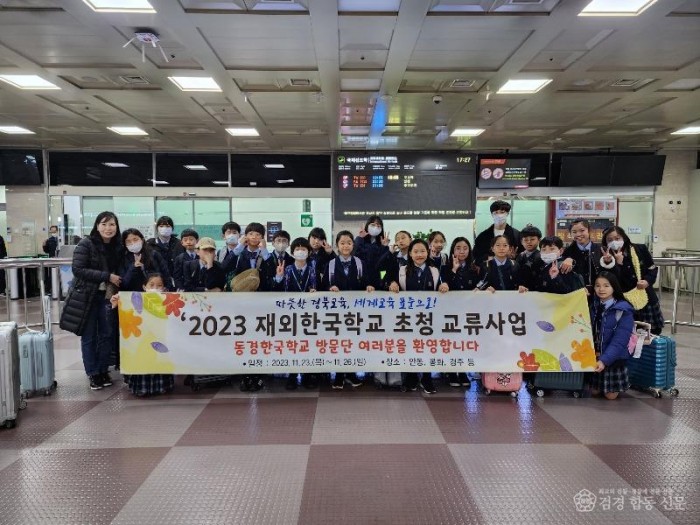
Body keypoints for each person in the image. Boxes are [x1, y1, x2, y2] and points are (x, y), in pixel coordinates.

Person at [59, 211, 122, 391]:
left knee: (107, 334)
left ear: (117, 227)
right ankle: (93, 373)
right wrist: (107, 276)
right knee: (89, 336)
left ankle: (103, 369)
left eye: (111, 224)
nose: (108, 228)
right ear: (96, 226)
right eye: (104, 224)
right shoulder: (86, 244)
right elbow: (78, 269)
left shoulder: (117, 246)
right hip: (87, 297)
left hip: (108, 297)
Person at [388, 239, 449, 394]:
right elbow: (387, 281)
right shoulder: (401, 270)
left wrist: (444, 286)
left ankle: (427, 378)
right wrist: (391, 284)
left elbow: (443, 285)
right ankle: (411, 378)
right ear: (410, 253)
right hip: (407, 318)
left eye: (422, 251)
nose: (419, 254)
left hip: (428, 318)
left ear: (427, 252)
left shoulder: (435, 270)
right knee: (409, 346)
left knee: (427, 347)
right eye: (415, 251)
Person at [322, 230, 374, 390]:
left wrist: (369, 286)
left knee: (352, 342)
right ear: (337, 245)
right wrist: (330, 288)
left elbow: (367, 281)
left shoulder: (360, 263)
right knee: (338, 343)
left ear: (353, 245)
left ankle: (351, 373)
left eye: (349, 242)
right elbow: (323, 286)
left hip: (355, 312)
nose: (346, 245)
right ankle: (338, 374)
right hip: (336, 313)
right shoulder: (330, 264)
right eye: (342, 242)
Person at [110, 273, 175, 397]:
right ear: (144, 286)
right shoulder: (134, 301)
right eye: (152, 285)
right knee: (143, 358)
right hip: (140, 343)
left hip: (159, 342)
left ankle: (162, 387)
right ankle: (141, 387)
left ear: (164, 289)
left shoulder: (167, 302)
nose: (155, 288)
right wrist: (117, 304)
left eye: (159, 285)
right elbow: (121, 320)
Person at [232, 223, 277, 391]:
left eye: (258, 234)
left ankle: (259, 375)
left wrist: (265, 252)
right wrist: (237, 248)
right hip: (242, 302)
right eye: (250, 233)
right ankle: (245, 375)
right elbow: (225, 268)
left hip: (261, 302)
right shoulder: (238, 253)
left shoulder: (266, 254)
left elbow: (273, 272)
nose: (254, 237)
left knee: (261, 339)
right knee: (244, 339)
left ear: (262, 237)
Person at [274, 237, 321, 390]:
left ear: (308, 252)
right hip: (291, 314)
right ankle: (293, 376)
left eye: (304, 249)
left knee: (308, 344)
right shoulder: (287, 269)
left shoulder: (313, 269)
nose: (300, 252)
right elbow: (280, 291)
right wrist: (279, 277)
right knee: (293, 345)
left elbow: (318, 289)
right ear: (292, 252)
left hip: (309, 314)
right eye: (297, 249)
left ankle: (307, 375)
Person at [599, 226, 664, 335]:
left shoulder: (640, 249)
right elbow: (612, 280)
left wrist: (647, 281)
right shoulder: (606, 257)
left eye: (617, 238)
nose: (614, 242)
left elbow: (652, 269)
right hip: (624, 301)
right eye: (610, 240)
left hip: (645, 297)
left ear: (623, 237)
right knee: (627, 334)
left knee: (652, 332)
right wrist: (618, 264)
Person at [441, 236, 481, 389]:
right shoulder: (445, 268)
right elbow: (445, 285)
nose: (462, 251)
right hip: (450, 313)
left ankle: (463, 370)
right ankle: (451, 371)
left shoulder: (475, 268)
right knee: (451, 342)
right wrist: (454, 270)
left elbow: (482, 283)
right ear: (452, 250)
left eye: (465, 248)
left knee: (464, 343)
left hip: (469, 312)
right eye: (458, 248)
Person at [590, 271, 635, 400]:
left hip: (613, 359)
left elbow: (620, 341)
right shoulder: (593, 306)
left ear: (614, 287)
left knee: (610, 396)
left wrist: (604, 361)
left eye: (606, 285)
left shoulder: (623, 310)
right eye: (597, 285)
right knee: (594, 392)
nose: (601, 289)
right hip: (595, 356)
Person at [560, 218, 603, 299]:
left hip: (598, 294)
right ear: (570, 234)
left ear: (589, 231)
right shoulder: (566, 252)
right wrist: (567, 259)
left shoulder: (601, 250)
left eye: (582, 230)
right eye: (574, 232)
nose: (578, 234)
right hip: (575, 295)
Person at [473, 200, 521, 265]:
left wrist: (514, 257)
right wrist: (492, 258)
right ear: (492, 214)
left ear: (507, 214)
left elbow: (522, 256)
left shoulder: (516, 235)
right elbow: (476, 256)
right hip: (489, 271)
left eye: (502, 212)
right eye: (496, 212)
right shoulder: (483, 236)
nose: (499, 215)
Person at [354, 215, 391, 289]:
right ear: (367, 225)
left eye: (378, 226)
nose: (375, 227)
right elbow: (355, 255)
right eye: (373, 225)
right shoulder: (361, 240)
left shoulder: (382, 243)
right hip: (360, 279)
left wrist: (385, 247)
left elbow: (383, 263)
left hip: (377, 281)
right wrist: (360, 238)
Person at [146, 216, 184, 280]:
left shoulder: (179, 243)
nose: (164, 228)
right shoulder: (150, 244)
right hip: (156, 280)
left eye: (168, 226)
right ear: (157, 228)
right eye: (161, 226)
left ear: (172, 228)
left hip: (175, 279)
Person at [516, 225, 544, 292]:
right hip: (521, 290)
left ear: (539, 240)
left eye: (532, 239)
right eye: (525, 240)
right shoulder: (520, 256)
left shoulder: (542, 256)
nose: (529, 242)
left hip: (536, 291)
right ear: (521, 242)